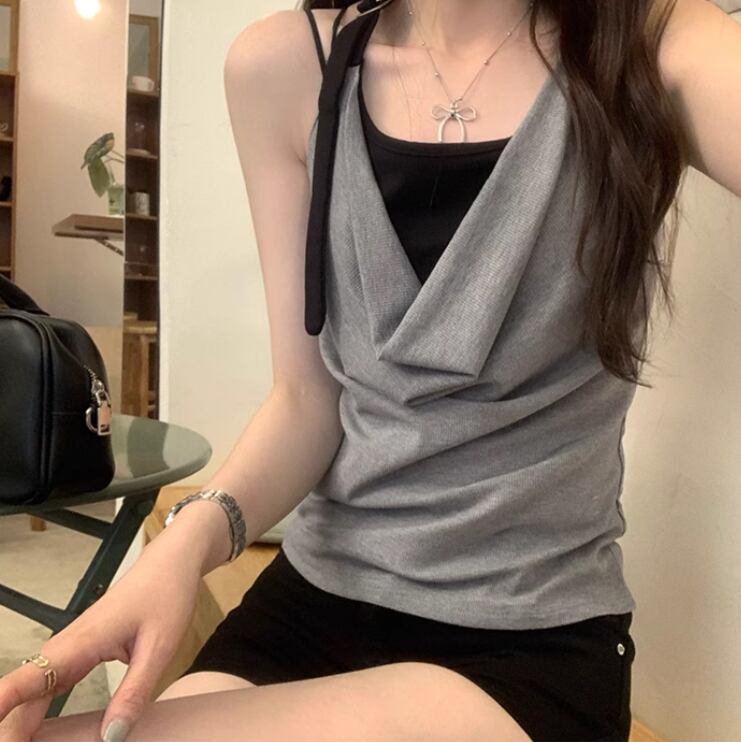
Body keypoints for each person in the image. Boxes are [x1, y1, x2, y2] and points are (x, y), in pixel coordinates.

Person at [1, 0, 740, 740]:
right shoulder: (284, 66)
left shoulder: (655, 41)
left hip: (525, 640)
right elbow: (305, 401)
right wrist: (187, 544)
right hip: (315, 601)